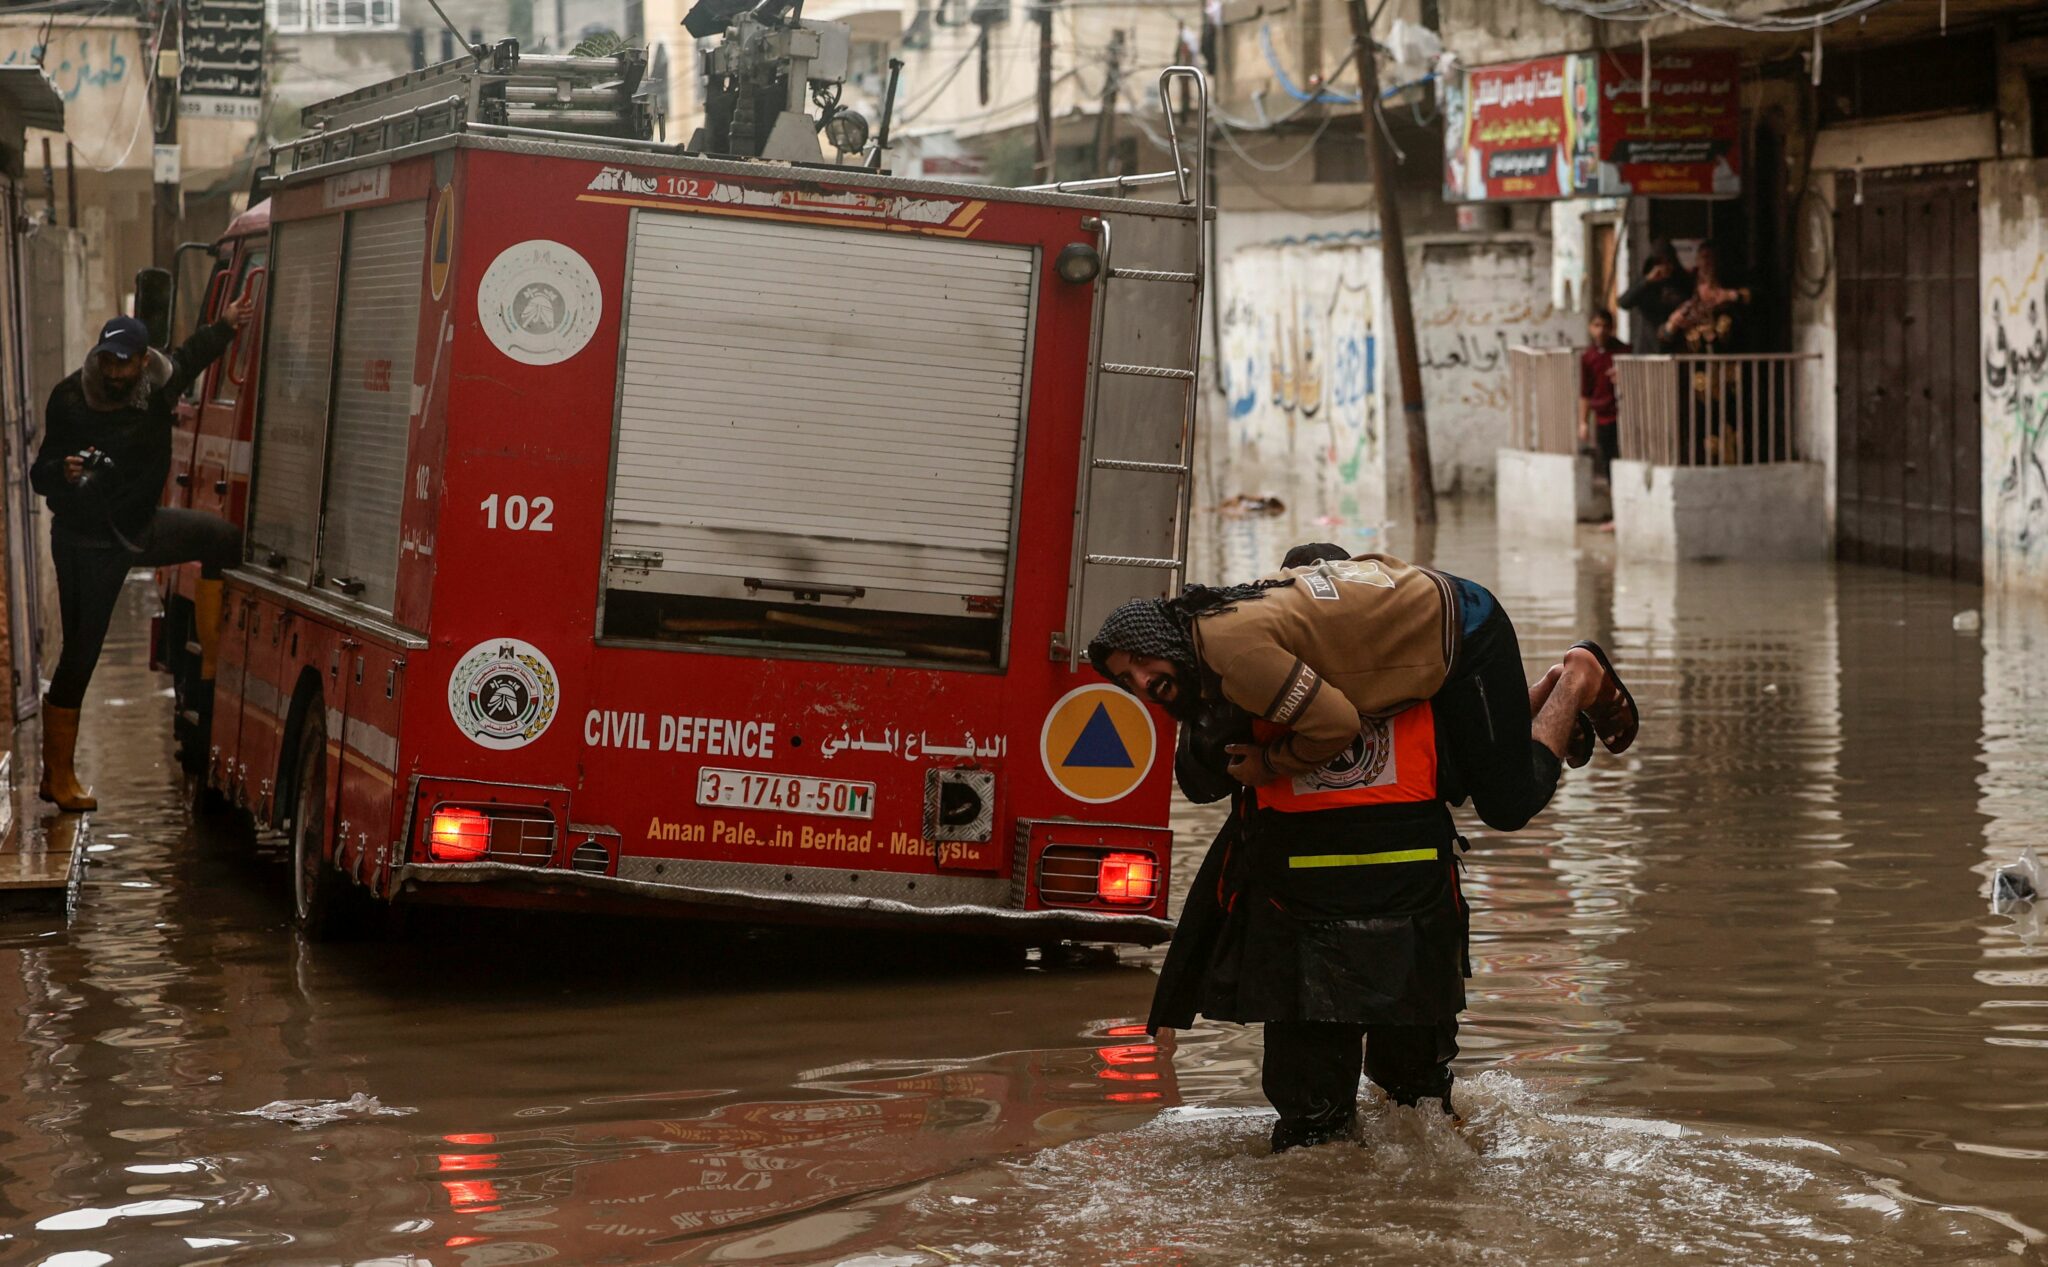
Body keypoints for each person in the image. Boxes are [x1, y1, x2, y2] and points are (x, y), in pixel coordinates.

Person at [1150, 544, 1594, 1151]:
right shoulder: (1426, 671)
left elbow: (1200, 781)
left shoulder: (1250, 676)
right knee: (1421, 1112)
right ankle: (1570, 680)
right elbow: (1474, 767)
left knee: (1314, 1130)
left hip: (1299, 922)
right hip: (1415, 915)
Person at [1087, 550, 1635, 839]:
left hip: (1462, 634)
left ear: (1162, 638)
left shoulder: (1234, 658)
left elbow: (1336, 725)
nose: (1142, 682)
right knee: (1463, 764)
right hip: (1426, 616)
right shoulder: (1210, 618)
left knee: (1508, 803)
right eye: (1126, 679)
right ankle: (1541, 698)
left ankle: (1576, 679)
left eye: (1141, 662)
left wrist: (1269, 763)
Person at [30, 301, 253, 811]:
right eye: (107, 361)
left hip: (141, 529)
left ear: (141, 361)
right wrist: (59, 472)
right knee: (80, 655)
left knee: (222, 541)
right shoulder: (69, 398)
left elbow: (192, 356)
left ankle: (216, 671)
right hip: (85, 542)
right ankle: (56, 776)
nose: (113, 371)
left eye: (123, 362)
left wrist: (224, 326)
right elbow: (37, 470)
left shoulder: (158, 387)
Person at [1661, 241, 1752, 464]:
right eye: (1703, 258)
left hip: (1729, 372)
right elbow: (1664, 334)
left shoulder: (1731, 289)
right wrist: (1673, 324)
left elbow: (1756, 300)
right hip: (1697, 373)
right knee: (1700, 423)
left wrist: (1731, 296)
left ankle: (1736, 462)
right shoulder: (1685, 291)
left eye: (1712, 258)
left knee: (1735, 421)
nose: (1707, 264)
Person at [1616, 238, 1691, 355]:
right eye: (1660, 263)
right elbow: (1624, 302)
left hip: (1673, 347)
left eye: (1668, 262)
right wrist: (1647, 280)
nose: (1665, 267)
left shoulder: (1681, 282)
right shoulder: (1645, 286)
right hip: (1647, 347)